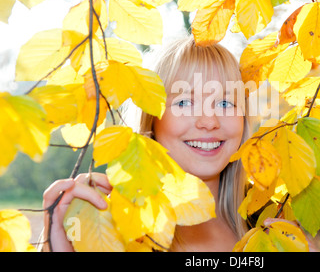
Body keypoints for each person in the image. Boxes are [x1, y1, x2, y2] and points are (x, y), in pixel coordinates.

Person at [41, 35, 252, 252]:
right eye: (184, 102)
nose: (209, 121)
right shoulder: (107, 227)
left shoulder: (270, 222)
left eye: (226, 102)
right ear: (150, 118)